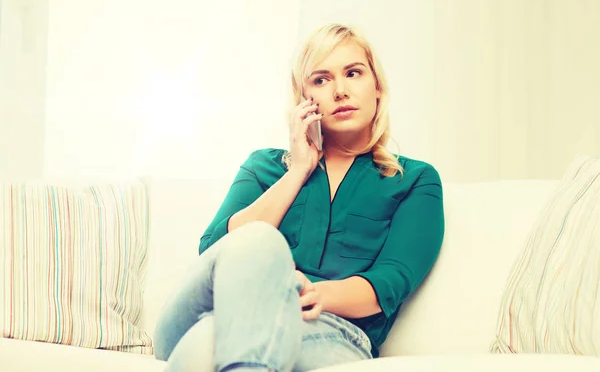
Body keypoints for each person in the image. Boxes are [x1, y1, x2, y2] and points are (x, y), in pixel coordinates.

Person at [153, 23, 445, 372]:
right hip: (212, 309)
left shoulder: (414, 180)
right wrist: (298, 171)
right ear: (304, 99)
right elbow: (216, 250)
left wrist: (311, 294)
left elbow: (391, 280)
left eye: (353, 73)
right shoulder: (263, 166)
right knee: (257, 240)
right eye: (321, 79)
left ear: (378, 87)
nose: (340, 91)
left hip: (331, 333)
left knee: (210, 343)